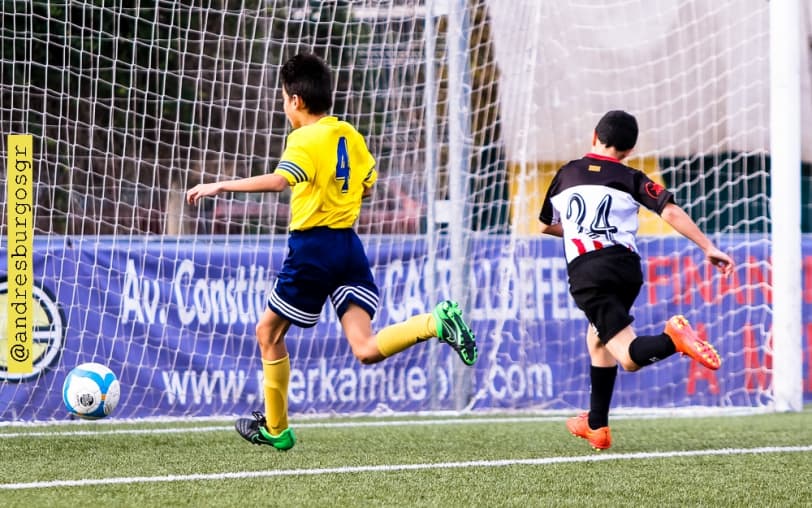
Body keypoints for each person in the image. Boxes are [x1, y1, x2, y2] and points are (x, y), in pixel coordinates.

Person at [187, 53, 477, 451]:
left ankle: (277, 428)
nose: (284, 106)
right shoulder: (348, 134)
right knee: (365, 348)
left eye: (284, 99)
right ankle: (434, 323)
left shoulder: (304, 138)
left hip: (313, 248)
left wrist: (221, 186)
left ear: (297, 102)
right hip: (348, 246)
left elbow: (280, 181)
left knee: (267, 332)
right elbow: (369, 186)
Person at [538, 110, 734, 451]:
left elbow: (545, 224)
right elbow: (670, 210)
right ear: (629, 150)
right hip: (627, 268)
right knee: (598, 337)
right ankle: (597, 425)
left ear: (593, 136)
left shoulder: (567, 173)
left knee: (627, 356)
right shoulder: (630, 176)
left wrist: (577, 233)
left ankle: (673, 340)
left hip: (589, 271)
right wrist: (708, 247)